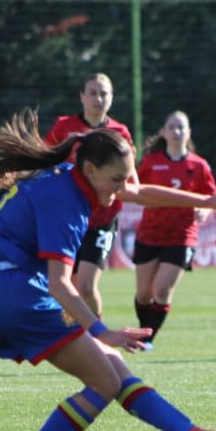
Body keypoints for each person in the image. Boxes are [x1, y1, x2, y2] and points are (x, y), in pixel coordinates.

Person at [0, 110, 216, 431]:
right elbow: (62, 285)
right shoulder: (65, 199)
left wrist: (209, 201)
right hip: (14, 292)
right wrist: (101, 330)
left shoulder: (75, 176)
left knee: (112, 369)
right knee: (103, 381)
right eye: (116, 180)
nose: (120, 191)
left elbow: (140, 192)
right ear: (93, 168)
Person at [43, 73, 133, 318]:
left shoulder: (119, 132)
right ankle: (77, 337)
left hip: (101, 221)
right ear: (82, 97)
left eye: (103, 93)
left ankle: (98, 338)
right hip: (69, 220)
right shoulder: (64, 127)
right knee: (67, 286)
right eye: (92, 92)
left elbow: (131, 180)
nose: (98, 98)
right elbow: (44, 162)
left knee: (85, 285)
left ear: (111, 99)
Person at [132, 111, 216, 349]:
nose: (177, 131)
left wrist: (206, 211)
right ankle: (143, 331)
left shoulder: (199, 166)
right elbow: (134, 189)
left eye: (181, 127)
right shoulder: (151, 162)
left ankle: (147, 339)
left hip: (182, 236)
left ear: (188, 133)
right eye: (172, 127)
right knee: (143, 294)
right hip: (150, 233)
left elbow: (211, 197)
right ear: (164, 132)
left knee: (161, 290)